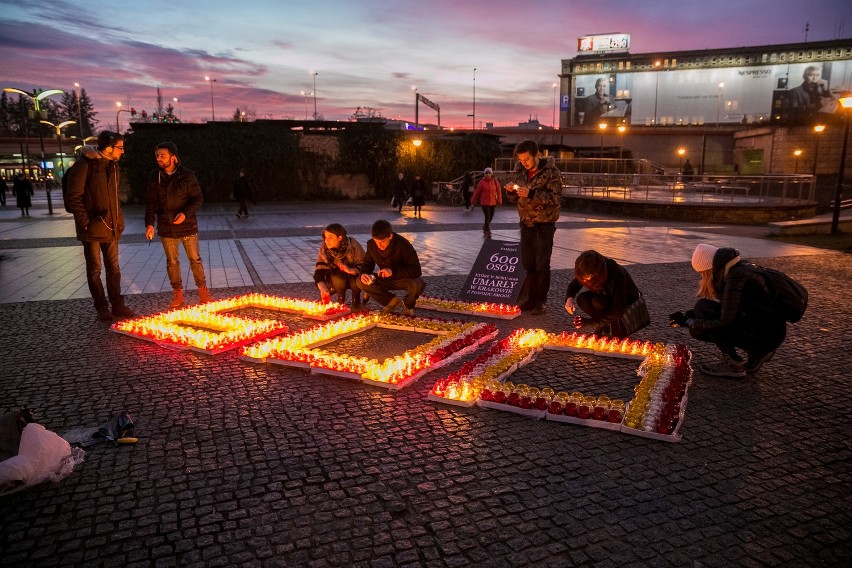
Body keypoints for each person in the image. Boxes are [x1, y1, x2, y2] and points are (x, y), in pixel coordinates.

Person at [669, 243, 787, 378]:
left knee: (701, 309)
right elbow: (731, 308)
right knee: (700, 315)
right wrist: (688, 317)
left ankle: (733, 364)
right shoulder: (738, 269)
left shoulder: (736, 278)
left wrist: (692, 322)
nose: (702, 278)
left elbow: (725, 321)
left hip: (766, 335)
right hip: (769, 331)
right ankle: (757, 353)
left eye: (702, 274)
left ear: (709, 269)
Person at [64, 131, 135, 321]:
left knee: (114, 268)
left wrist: (119, 220)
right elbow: (74, 197)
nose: (122, 151)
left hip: (111, 227)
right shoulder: (84, 165)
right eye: (120, 147)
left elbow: (114, 197)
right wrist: (86, 223)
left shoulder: (112, 166)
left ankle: (117, 304)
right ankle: (102, 307)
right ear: (109, 147)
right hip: (92, 229)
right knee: (94, 269)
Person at [144, 141, 212, 309]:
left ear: (173, 157)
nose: (159, 158)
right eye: (157, 155)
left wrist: (185, 213)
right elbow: (151, 203)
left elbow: (198, 198)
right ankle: (178, 294)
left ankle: (203, 292)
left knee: (195, 260)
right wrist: (149, 224)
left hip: (187, 225)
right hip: (166, 227)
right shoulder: (155, 176)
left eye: (162, 155)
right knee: (172, 262)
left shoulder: (187, 175)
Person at [504, 140, 562, 315]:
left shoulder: (551, 172)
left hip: (544, 225)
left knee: (542, 265)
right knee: (528, 264)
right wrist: (511, 192)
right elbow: (516, 199)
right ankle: (530, 299)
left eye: (527, 159)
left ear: (536, 154)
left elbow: (556, 199)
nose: (524, 163)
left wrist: (532, 193)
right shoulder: (520, 171)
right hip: (526, 223)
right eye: (521, 160)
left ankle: (541, 301)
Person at [564, 250, 644, 338]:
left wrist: (591, 322)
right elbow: (574, 284)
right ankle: (602, 327)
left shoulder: (616, 273)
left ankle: (615, 331)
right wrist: (569, 298)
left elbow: (618, 309)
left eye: (587, 279)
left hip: (626, 306)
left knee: (598, 302)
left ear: (596, 274)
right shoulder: (587, 274)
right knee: (582, 299)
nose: (585, 281)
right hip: (607, 298)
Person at [358, 219, 425, 316]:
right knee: (360, 281)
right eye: (376, 242)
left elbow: (416, 270)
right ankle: (391, 302)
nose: (379, 245)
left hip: (403, 278)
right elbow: (367, 263)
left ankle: (408, 305)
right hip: (384, 278)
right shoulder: (371, 245)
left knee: (418, 284)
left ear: (390, 236)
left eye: (382, 242)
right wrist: (364, 273)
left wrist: (392, 271)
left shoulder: (403, 245)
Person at [313, 223, 366, 311]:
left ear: (339, 238)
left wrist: (350, 270)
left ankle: (356, 300)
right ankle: (341, 298)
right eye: (325, 237)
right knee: (336, 275)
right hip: (338, 278)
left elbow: (364, 264)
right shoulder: (324, 249)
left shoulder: (352, 245)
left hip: (354, 275)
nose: (327, 240)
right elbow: (319, 271)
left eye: (330, 237)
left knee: (355, 279)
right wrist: (323, 288)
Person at [471, 167, 502, 238]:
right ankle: (487, 230)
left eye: (489, 173)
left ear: (491, 174)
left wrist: (499, 201)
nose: (488, 174)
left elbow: (499, 191)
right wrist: (473, 201)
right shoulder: (481, 182)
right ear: (484, 174)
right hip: (485, 203)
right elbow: (477, 193)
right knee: (487, 216)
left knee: (491, 217)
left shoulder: (495, 181)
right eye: (486, 173)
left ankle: (485, 227)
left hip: (493, 202)